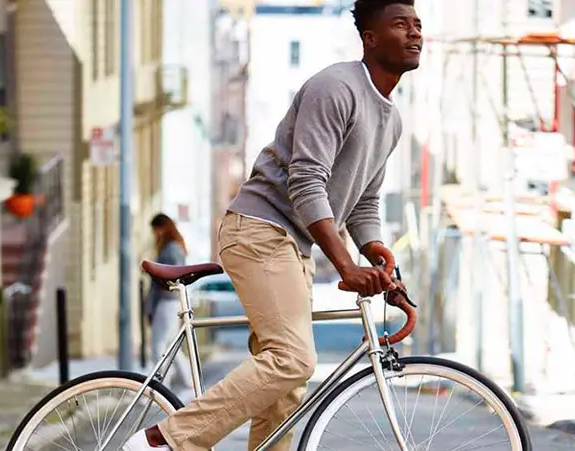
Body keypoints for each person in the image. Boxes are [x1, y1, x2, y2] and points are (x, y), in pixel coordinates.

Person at [123, 0, 422, 447]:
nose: (415, 33)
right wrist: (345, 266)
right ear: (370, 37)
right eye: (401, 24)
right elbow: (306, 183)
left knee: (285, 392)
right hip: (260, 230)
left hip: (292, 245)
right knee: (293, 359)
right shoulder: (335, 88)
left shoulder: (391, 119)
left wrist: (372, 248)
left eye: (418, 24)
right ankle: (163, 440)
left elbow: (363, 201)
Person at [146, 213, 193, 390]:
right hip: (172, 302)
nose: (155, 235)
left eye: (155, 230)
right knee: (171, 346)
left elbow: (172, 277)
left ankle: (160, 387)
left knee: (158, 347)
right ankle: (189, 380)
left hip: (166, 302)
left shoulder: (170, 249)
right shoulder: (176, 247)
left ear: (162, 228)